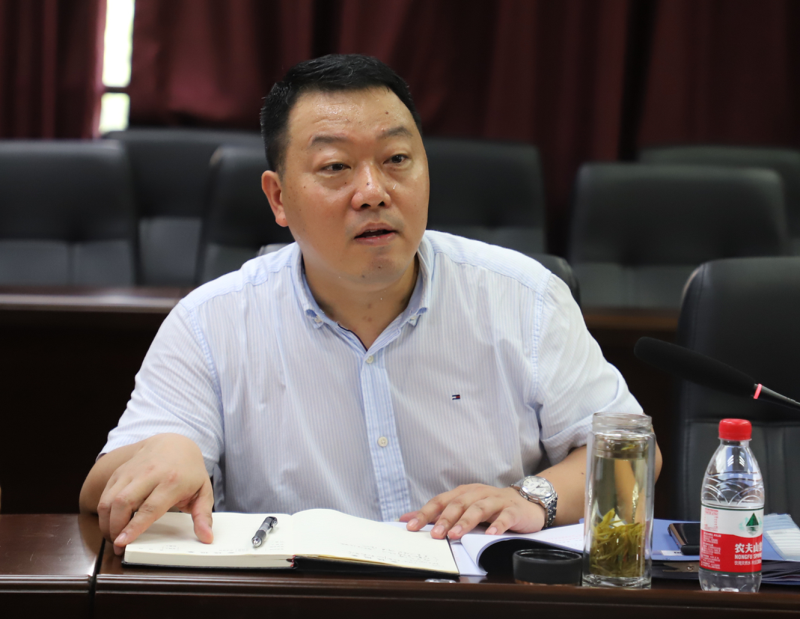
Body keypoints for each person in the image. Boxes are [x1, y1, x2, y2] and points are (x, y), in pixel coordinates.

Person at [80, 54, 661, 556]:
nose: (374, 192)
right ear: (278, 198)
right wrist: (170, 450)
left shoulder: (525, 298)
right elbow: (97, 492)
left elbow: (636, 460)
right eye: (336, 167)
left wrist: (532, 498)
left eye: (397, 159)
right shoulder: (212, 321)